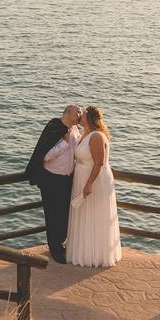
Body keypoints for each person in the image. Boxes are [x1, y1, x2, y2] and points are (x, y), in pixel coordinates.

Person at [65, 105, 122, 268]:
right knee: (83, 214)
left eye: (82, 115)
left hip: (94, 180)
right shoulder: (85, 134)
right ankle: (82, 252)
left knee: (95, 215)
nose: (79, 116)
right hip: (81, 177)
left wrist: (88, 183)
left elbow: (99, 163)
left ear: (88, 118)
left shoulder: (96, 136)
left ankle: (95, 256)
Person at [25, 104, 82, 263]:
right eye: (78, 111)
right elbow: (45, 157)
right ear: (68, 112)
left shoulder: (76, 130)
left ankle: (63, 244)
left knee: (65, 214)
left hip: (68, 179)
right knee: (53, 215)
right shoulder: (54, 127)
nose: (80, 114)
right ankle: (55, 250)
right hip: (52, 179)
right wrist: (63, 143)